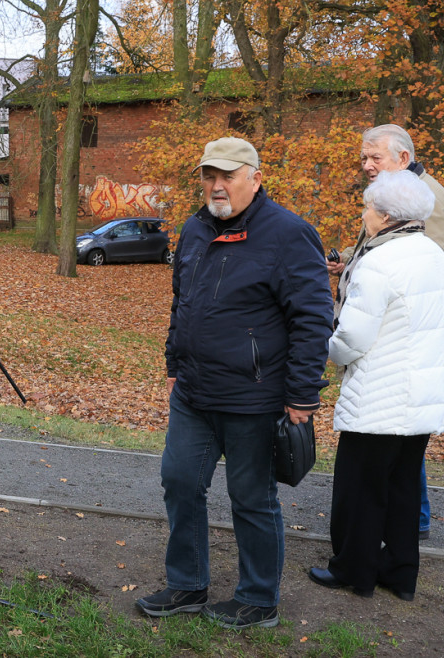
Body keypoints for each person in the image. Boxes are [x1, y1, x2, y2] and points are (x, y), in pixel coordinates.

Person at [135, 137, 333, 629]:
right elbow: (183, 304)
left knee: (252, 499)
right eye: (209, 175)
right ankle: (187, 585)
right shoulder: (195, 228)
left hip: (254, 397)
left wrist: (302, 397)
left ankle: (258, 598)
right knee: (179, 482)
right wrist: (174, 365)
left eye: (228, 175)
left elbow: (313, 319)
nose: (217, 185)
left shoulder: (288, 234)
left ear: (256, 178)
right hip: (194, 393)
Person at [308, 170, 444, 601]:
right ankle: (399, 574)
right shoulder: (434, 255)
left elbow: (352, 338)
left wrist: (331, 350)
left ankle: (353, 571)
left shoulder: (379, 261)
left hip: (380, 394)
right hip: (422, 395)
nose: (364, 215)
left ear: (384, 215)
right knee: (401, 489)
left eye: (367, 208)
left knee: (360, 489)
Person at [327, 124, 444, 540]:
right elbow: (392, 246)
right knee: (399, 448)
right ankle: (400, 541)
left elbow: (421, 272)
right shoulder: (397, 196)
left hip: (403, 355)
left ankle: (404, 531)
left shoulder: (427, 201)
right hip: (397, 352)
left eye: (375, 158)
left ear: (403, 159)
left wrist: (337, 344)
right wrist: (350, 260)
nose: (367, 166)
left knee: (397, 446)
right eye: (364, 158)